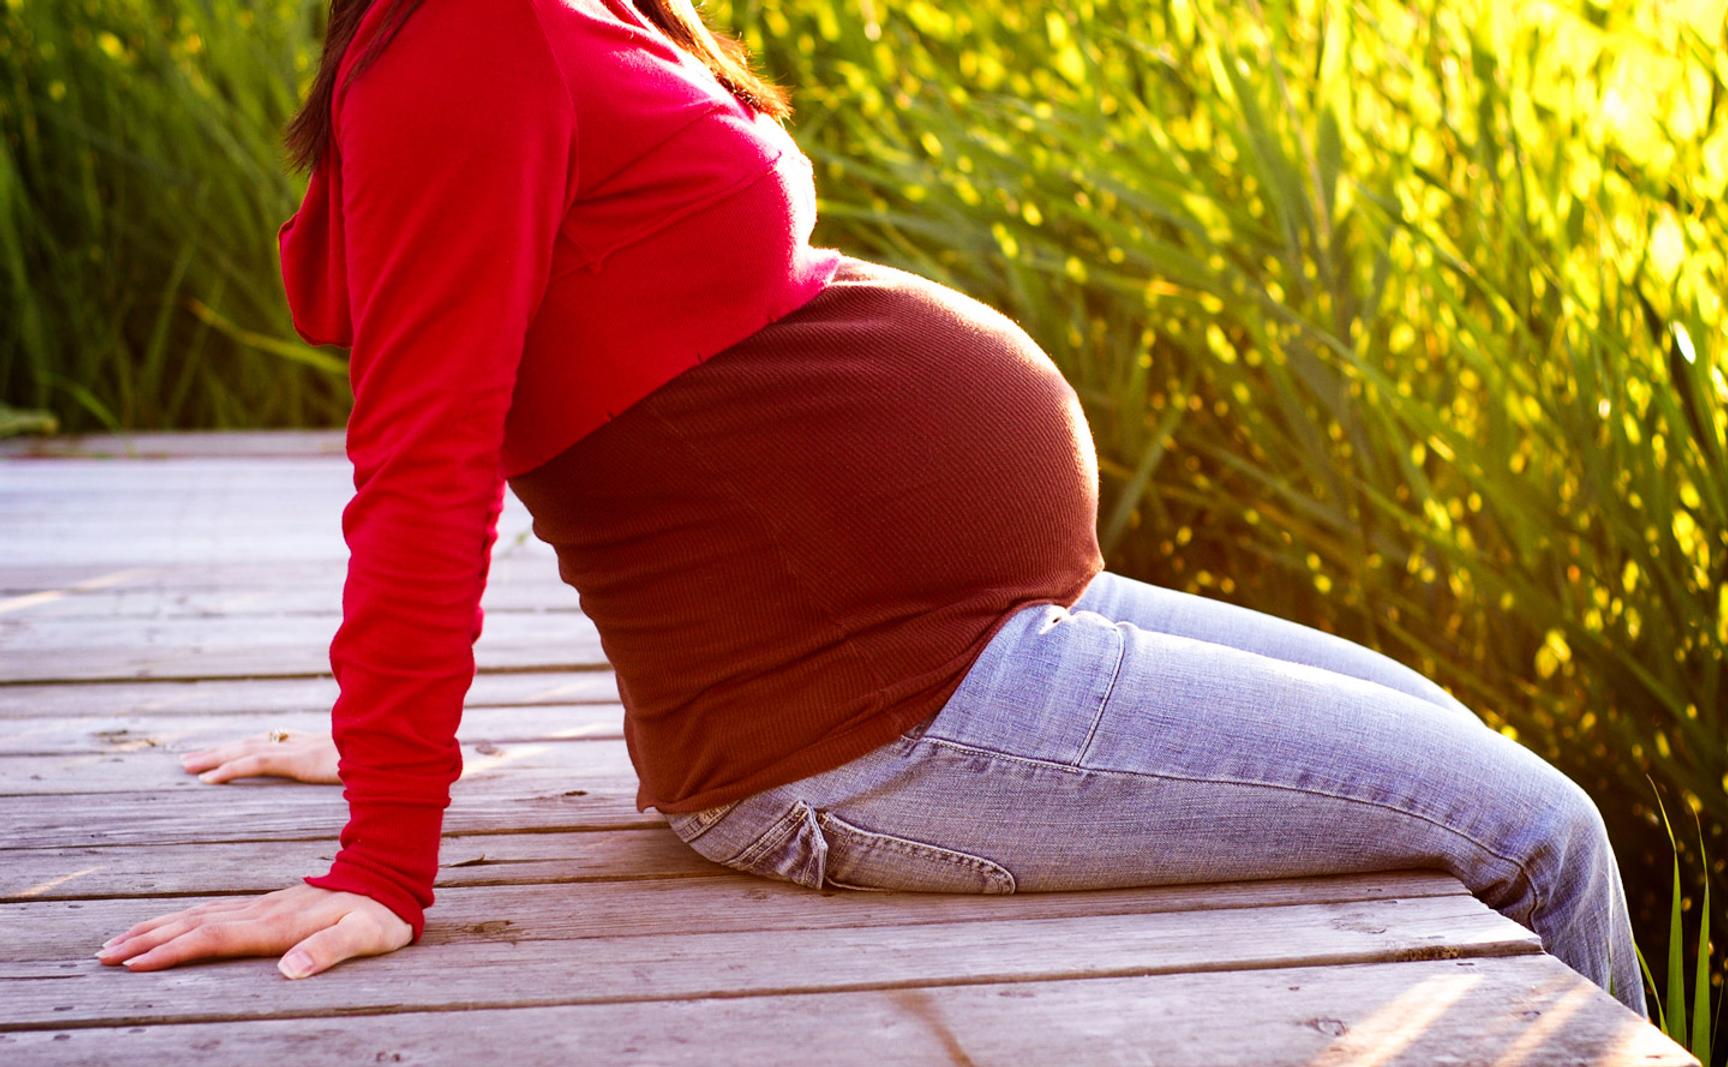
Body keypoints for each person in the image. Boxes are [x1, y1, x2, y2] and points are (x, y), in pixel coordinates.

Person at [93, 0, 1648, 1021]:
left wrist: (381, 733)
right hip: (880, 726)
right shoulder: (470, 44)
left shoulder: (579, 13)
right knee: (1538, 830)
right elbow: (424, 452)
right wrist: (385, 842)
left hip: (971, 641)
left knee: (1488, 766)